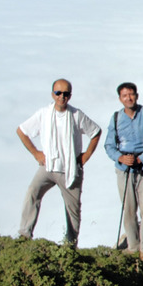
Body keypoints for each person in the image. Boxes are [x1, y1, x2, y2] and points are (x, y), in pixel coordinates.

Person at [16, 78, 101, 245]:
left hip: (70, 169)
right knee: (32, 193)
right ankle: (24, 235)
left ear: (70, 95)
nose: (62, 96)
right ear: (52, 94)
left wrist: (86, 155)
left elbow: (96, 132)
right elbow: (21, 131)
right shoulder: (44, 114)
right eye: (58, 93)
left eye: (66, 93)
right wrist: (36, 153)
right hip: (48, 166)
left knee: (73, 210)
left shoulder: (76, 115)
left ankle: (70, 245)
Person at [104, 82, 143, 262]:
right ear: (120, 98)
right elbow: (109, 145)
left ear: (137, 96)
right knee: (128, 208)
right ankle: (132, 245)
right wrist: (121, 158)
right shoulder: (116, 118)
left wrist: (141, 159)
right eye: (125, 95)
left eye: (131, 94)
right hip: (124, 168)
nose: (129, 98)